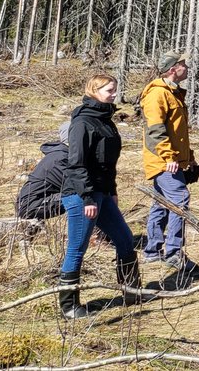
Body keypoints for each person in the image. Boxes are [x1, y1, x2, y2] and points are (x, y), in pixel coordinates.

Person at [58, 74, 143, 319]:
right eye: (109, 90)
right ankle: (69, 306)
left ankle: (131, 291)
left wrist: (112, 191)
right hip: (81, 195)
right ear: (95, 90)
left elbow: (108, 164)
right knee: (77, 248)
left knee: (125, 239)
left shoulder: (106, 120)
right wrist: (87, 198)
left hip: (103, 193)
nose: (114, 94)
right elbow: (76, 164)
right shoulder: (82, 122)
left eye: (115, 89)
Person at [139, 51, 198, 273]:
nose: (187, 66)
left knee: (161, 204)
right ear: (173, 69)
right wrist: (169, 157)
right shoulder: (157, 95)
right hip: (163, 161)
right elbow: (156, 131)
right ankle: (174, 252)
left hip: (172, 160)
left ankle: (152, 252)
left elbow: (177, 132)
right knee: (180, 199)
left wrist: (188, 157)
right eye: (183, 64)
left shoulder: (173, 93)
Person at [16, 122, 70, 220]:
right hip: (31, 206)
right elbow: (75, 186)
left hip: (35, 202)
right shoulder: (60, 159)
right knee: (78, 198)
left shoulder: (59, 155)